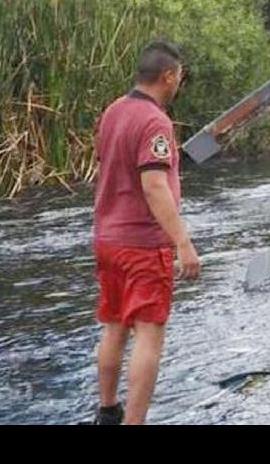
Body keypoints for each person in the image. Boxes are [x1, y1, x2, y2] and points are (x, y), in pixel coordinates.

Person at [92, 41, 201, 425]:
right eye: (179, 77)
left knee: (114, 325)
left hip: (107, 238)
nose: (179, 85)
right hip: (142, 243)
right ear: (168, 76)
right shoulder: (156, 121)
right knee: (149, 334)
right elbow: (154, 185)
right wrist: (183, 243)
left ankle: (107, 410)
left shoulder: (112, 112)